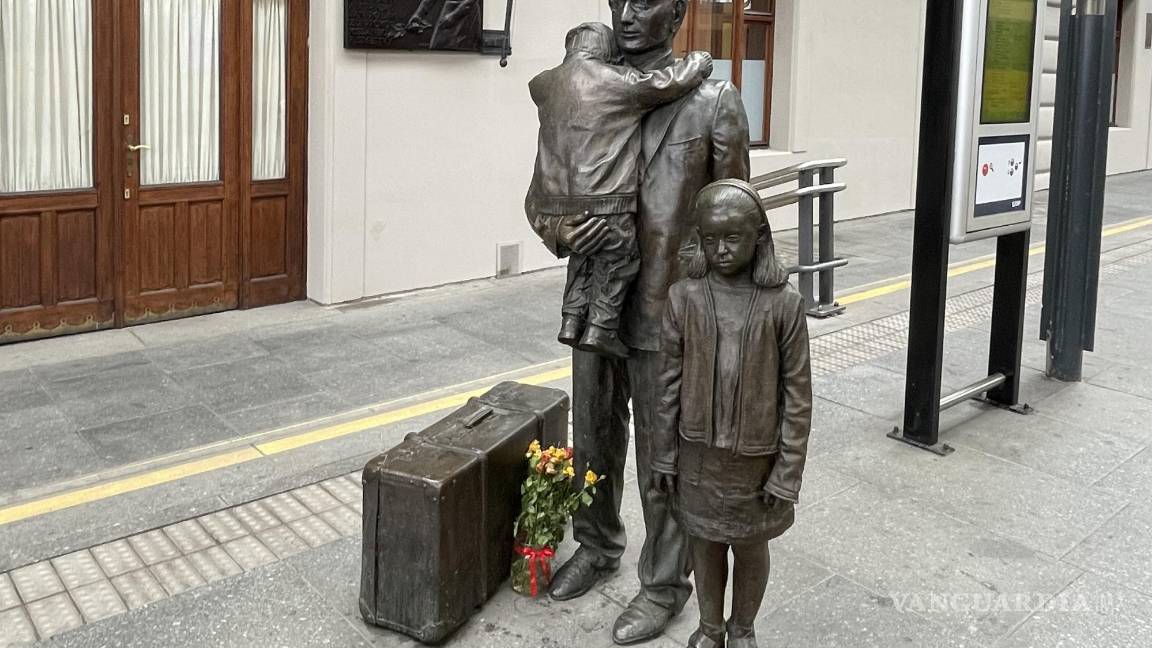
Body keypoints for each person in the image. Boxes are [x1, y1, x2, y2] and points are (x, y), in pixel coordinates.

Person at [525, 1, 751, 644]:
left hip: (668, 308)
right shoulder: (581, 87)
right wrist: (560, 230)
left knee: (662, 455)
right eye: (618, 0)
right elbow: (541, 192)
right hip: (595, 298)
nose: (626, 14)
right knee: (593, 438)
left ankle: (663, 585)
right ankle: (597, 546)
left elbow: (736, 215)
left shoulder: (712, 101)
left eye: (645, 1)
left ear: (676, 15)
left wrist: (727, 317)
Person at [652, 179, 813, 648]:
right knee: (704, 541)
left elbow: (798, 395)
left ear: (759, 237)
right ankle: (710, 627)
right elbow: (666, 386)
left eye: (732, 238)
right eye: (710, 239)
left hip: (756, 462)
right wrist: (663, 455)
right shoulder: (683, 298)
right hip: (698, 455)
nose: (720, 249)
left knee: (749, 544)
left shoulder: (783, 304)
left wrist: (787, 472)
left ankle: (742, 628)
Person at [527, 23, 713, 359]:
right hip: (607, 199)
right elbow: (665, 83)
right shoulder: (615, 81)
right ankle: (600, 328)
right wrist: (696, 63)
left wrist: (558, 226)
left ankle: (571, 320)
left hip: (561, 202)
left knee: (584, 259)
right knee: (619, 260)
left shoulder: (545, 85)